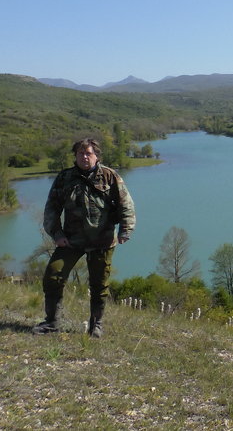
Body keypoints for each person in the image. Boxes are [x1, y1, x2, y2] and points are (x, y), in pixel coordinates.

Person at [33, 138, 135, 337]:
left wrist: (125, 229)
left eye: (88, 153)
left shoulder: (109, 176)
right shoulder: (65, 178)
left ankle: (96, 324)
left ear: (96, 155)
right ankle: (52, 322)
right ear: (75, 156)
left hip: (102, 241)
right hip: (72, 240)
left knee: (99, 284)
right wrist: (57, 234)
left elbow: (126, 204)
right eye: (81, 153)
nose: (84, 157)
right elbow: (52, 208)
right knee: (53, 275)